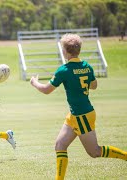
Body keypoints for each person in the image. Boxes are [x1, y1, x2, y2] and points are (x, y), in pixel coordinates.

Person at [30, 33, 127, 180]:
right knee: (60, 145)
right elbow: (94, 86)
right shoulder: (87, 66)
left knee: (94, 152)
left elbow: (46, 90)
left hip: (82, 115)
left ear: (65, 51)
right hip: (76, 114)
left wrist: (34, 82)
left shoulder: (64, 70)